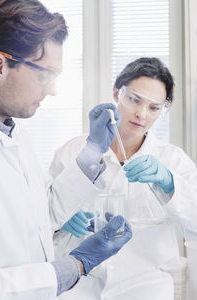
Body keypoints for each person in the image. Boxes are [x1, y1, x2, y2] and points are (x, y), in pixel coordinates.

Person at [0, 1, 132, 299]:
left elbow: (44, 211)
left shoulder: (17, 136)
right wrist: (74, 266)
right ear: (0, 65)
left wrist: (94, 149)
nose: (52, 90)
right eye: (43, 74)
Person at [50, 57, 197, 300]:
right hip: (81, 286)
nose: (141, 114)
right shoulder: (74, 151)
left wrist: (170, 183)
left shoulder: (172, 159)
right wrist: (61, 222)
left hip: (146, 287)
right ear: (117, 93)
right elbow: (40, 216)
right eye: (134, 100)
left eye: (154, 107)